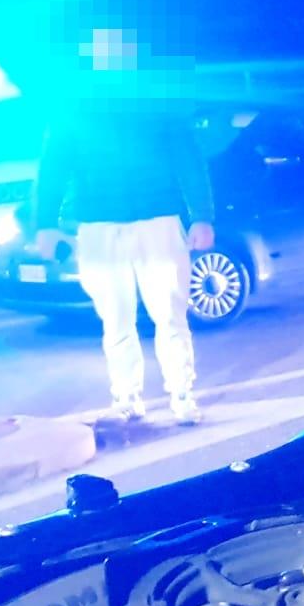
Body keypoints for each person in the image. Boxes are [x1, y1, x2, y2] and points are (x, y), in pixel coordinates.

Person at [29, 98, 215, 424]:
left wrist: (202, 215)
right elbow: (53, 167)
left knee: (169, 314)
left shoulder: (155, 97)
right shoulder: (72, 105)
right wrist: (44, 223)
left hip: (155, 219)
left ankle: (181, 393)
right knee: (116, 319)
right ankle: (127, 396)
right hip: (100, 226)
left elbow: (187, 157)